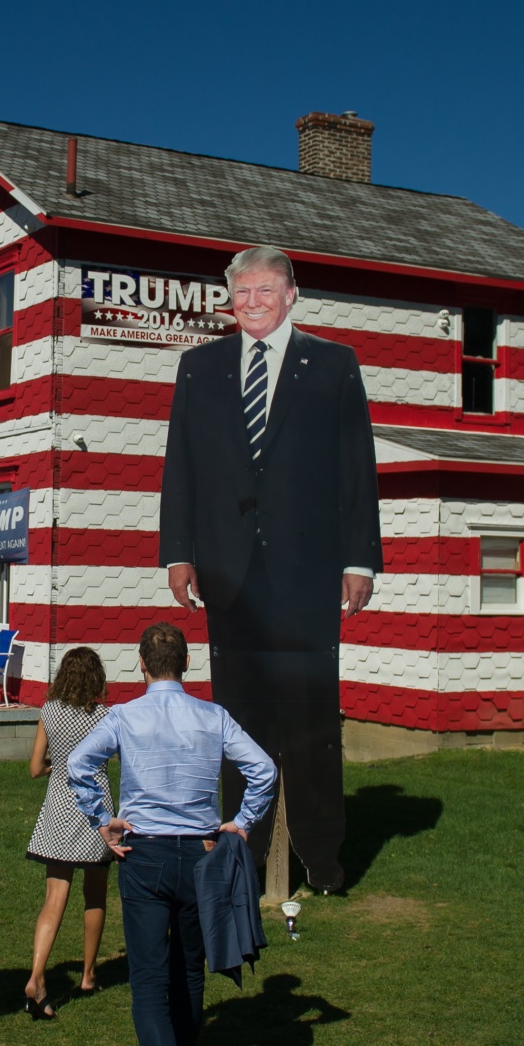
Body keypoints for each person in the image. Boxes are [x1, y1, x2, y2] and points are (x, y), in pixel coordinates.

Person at [158, 245, 383, 892]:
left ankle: (323, 860)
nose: (252, 302)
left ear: (291, 295)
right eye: (241, 292)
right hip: (230, 572)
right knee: (239, 724)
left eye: (265, 290)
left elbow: (356, 470)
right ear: (229, 300)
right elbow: (182, 465)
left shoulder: (334, 365)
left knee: (311, 721)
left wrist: (358, 558)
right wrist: (179, 552)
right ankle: (244, 854)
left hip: (310, 572)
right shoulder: (199, 368)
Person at [65, 622, 277, 1046]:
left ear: (141, 664)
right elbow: (264, 769)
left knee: (148, 974)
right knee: (188, 966)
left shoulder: (124, 715)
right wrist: (241, 824)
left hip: (145, 853)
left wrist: (103, 818)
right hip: (201, 854)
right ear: (186, 663)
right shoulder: (212, 716)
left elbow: (77, 762)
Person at [19, 646, 113, 1019]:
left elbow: (34, 767)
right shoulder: (104, 717)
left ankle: (37, 974)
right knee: (95, 895)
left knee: (54, 899)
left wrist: (56, 769)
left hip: (58, 810)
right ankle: (88, 975)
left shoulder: (50, 712)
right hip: (95, 813)